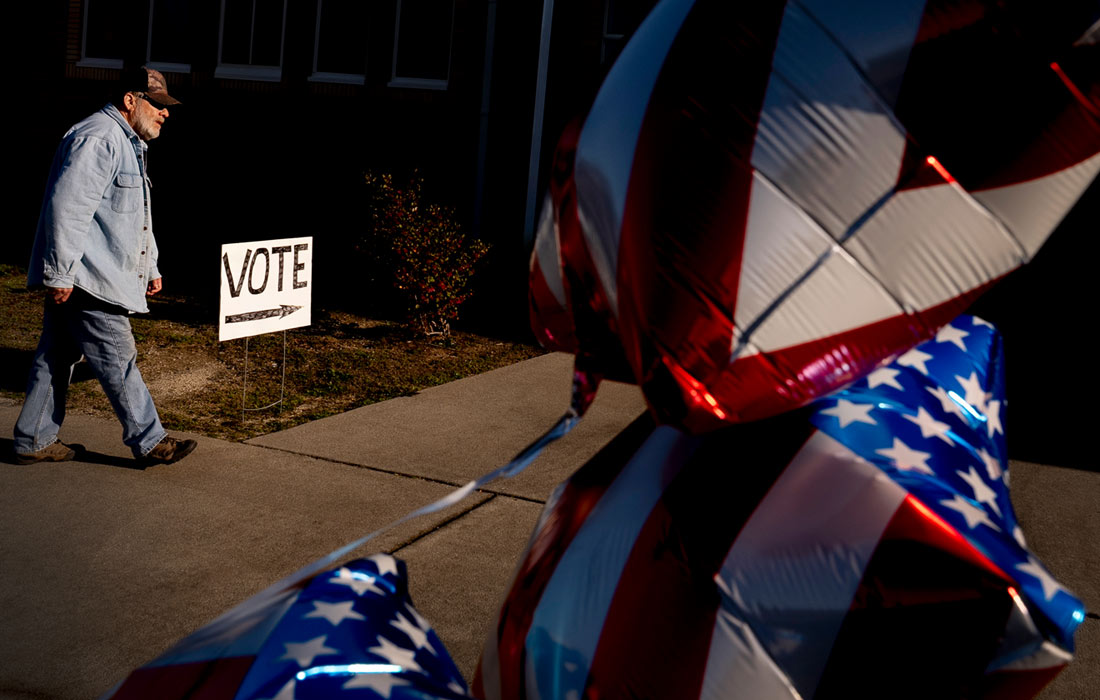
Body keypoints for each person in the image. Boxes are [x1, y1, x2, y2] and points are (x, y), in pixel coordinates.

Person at [13, 66, 197, 466]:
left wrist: (151, 267)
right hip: (89, 278)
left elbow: (134, 215)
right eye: (158, 105)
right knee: (118, 355)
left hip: (93, 272)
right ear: (130, 100)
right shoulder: (99, 138)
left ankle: (33, 439)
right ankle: (150, 441)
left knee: (55, 356)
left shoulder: (126, 141)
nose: (166, 113)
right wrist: (60, 273)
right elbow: (68, 209)